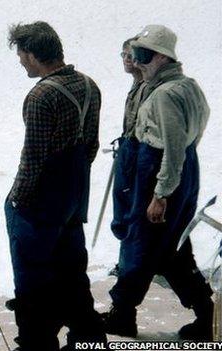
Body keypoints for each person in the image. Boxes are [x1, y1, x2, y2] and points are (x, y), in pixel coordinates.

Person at [103, 24, 212, 341]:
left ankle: (122, 314)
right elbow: (193, 134)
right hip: (178, 167)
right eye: (134, 54)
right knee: (171, 247)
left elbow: (173, 146)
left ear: (162, 58)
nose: (136, 62)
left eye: (142, 55)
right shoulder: (188, 86)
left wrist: (161, 192)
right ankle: (206, 312)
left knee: (142, 242)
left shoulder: (163, 95)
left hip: (158, 169)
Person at [4, 21, 107, 350]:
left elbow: (32, 159)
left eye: (21, 55)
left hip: (40, 203)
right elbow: (91, 146)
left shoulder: (41, 95)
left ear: (33, 54)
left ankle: (37, 343)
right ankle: (88, 340)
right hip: (74, 198)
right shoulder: (90, 85)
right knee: (73, 272)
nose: (20, 61)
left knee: (32, 281)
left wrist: (17, 200)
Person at [109, 36, 147, 277]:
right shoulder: (137, 85)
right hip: (129, 151)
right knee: (125, 213)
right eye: (123, 54)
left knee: (132, 214)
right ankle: (126, 263)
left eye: (130, 55)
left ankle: (130, 266)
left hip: (138, 155)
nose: (126, 60)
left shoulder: (148, 87)